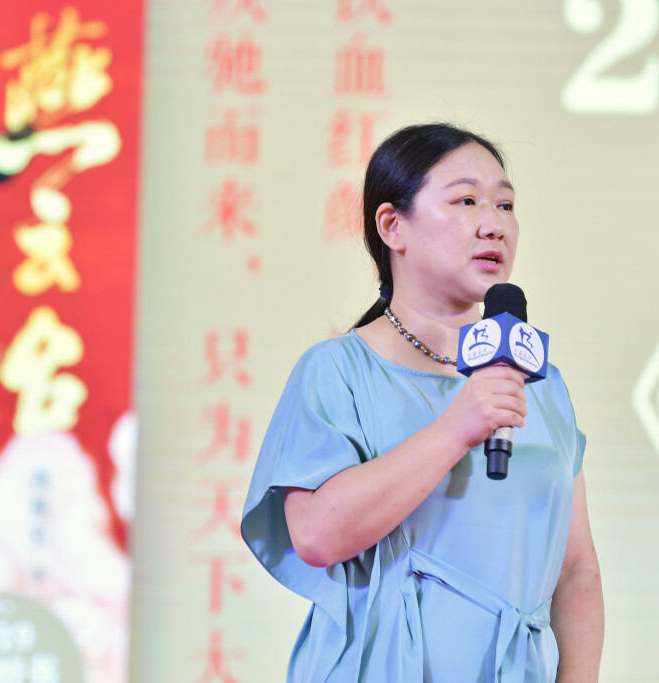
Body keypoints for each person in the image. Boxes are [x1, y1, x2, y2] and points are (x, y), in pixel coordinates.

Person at [241, 123, 603, 682]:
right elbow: (314, 534)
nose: (495, 224)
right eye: (466, 200)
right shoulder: (338, 370)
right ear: (393, 226)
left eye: (506, 205)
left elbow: (576, 568)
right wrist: (454, 429)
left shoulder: (539, 381)